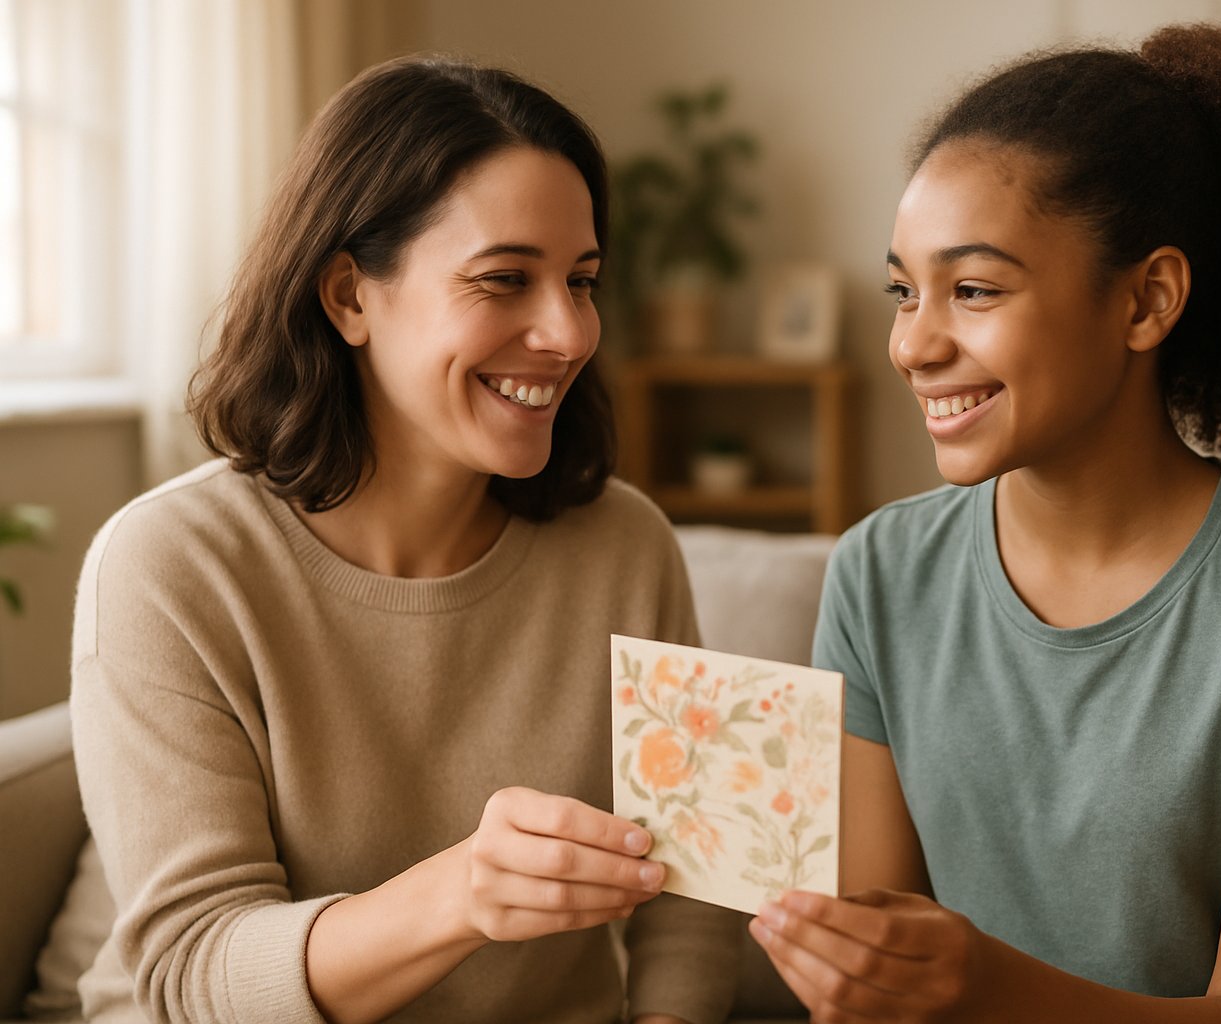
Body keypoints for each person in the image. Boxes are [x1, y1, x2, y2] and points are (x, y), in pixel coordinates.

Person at [749, 23, 1221, 1024]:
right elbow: (877, 966)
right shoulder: (878, 570)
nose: (913, 343)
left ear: (1147, 299)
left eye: (974, 289)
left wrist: (984, 988)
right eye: (905, 289)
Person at [71, 56, 739, 1024]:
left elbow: (694, 879)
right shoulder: (170, 566)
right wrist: (462, 893)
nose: (567, 331)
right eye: (505, 278)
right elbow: (192, 970)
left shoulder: (625, 544)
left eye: (582, 280)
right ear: (349, 297)